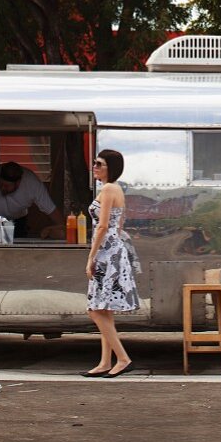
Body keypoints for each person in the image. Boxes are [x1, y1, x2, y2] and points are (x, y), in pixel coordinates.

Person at [82, 148, 141, 378]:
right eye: (95, 164)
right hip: (114, 251)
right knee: (104, 309)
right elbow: (119, 224)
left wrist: (91, 256)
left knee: (94, 310)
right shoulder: (117, 189)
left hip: (107, 253)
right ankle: (105, 362)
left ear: (110, 168)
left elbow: (103, 225)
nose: (94, 167)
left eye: (99, 164)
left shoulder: (108, 189)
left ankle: (123, 358)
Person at [0, 161, 64, 239]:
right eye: (0, 184)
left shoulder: (32, 184)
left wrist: (66, 230)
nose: (2, 188)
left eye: (6, 186)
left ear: (18, 183)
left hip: (18, 220)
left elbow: (51, 210)